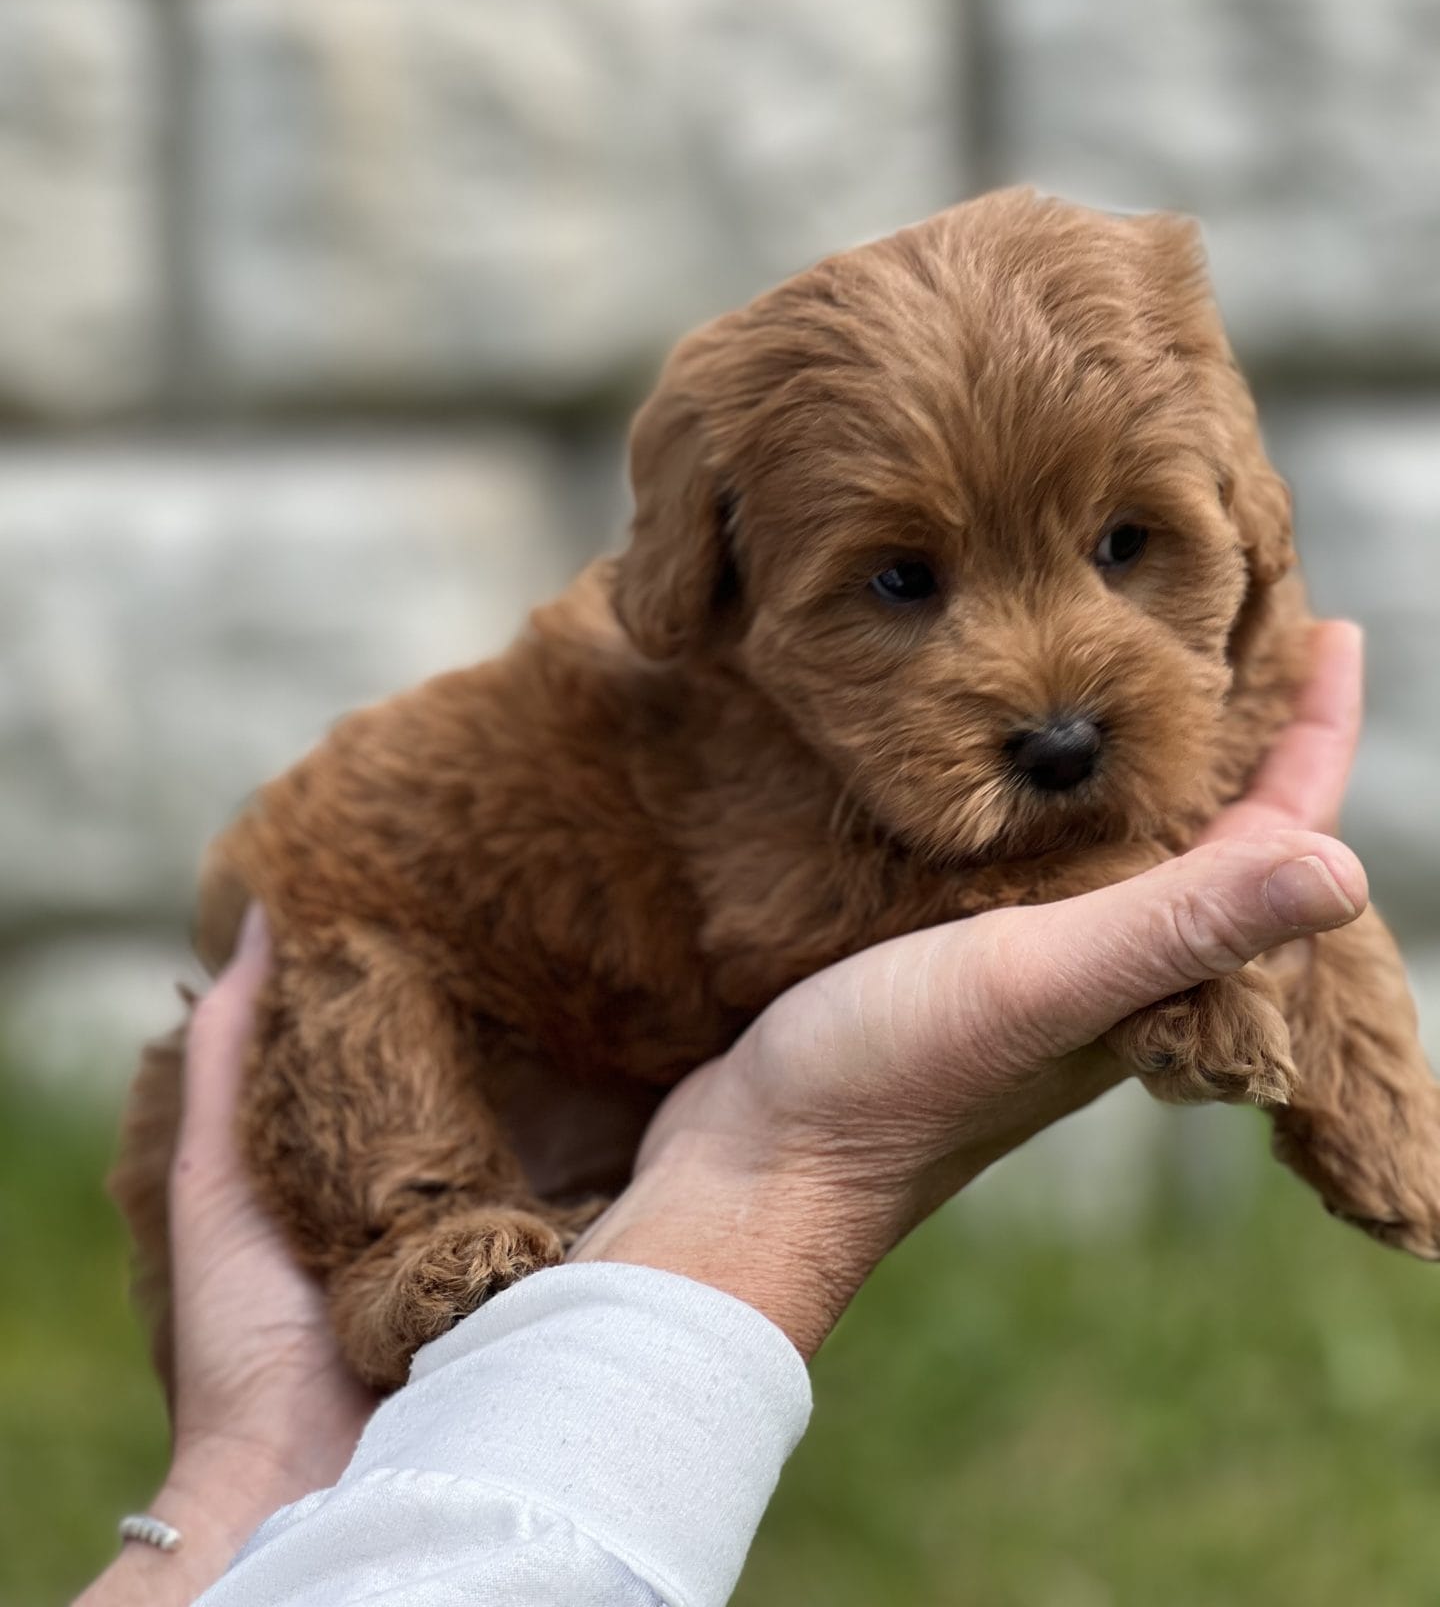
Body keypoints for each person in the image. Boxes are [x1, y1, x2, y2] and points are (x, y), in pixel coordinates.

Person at [78, 623, 1369, 1607]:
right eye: (905, 584)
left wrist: (240, 1488)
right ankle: (412, 1236)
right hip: (462, 1009)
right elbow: (783, 919)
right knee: (358, 988)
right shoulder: (713, 720)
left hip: (614, 1076)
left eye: (1125, 545)